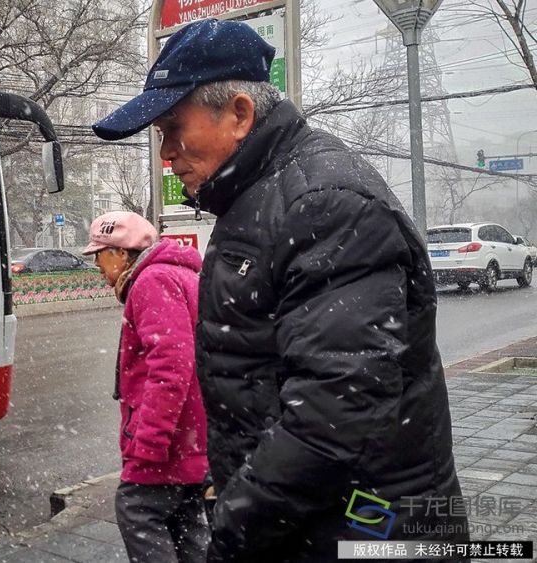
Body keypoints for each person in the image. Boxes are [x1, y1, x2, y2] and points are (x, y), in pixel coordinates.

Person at [92, 19, 468, 562]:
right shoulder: (259, 198)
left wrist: (236, 528)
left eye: (174, 128)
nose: (167, 153)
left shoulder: (323, 203)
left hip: (366, 529)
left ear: (240, 114)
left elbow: (334, 411)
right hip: (313, 523)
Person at [83, 211, 209, 563]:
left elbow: (172, 365)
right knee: (186, 523)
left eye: (100, 254)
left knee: (136, 508)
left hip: (170, 441)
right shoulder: (177, 275)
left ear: (122, 254)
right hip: (191, 435)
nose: (97, 265)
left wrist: (150, 443)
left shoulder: (152, 281)